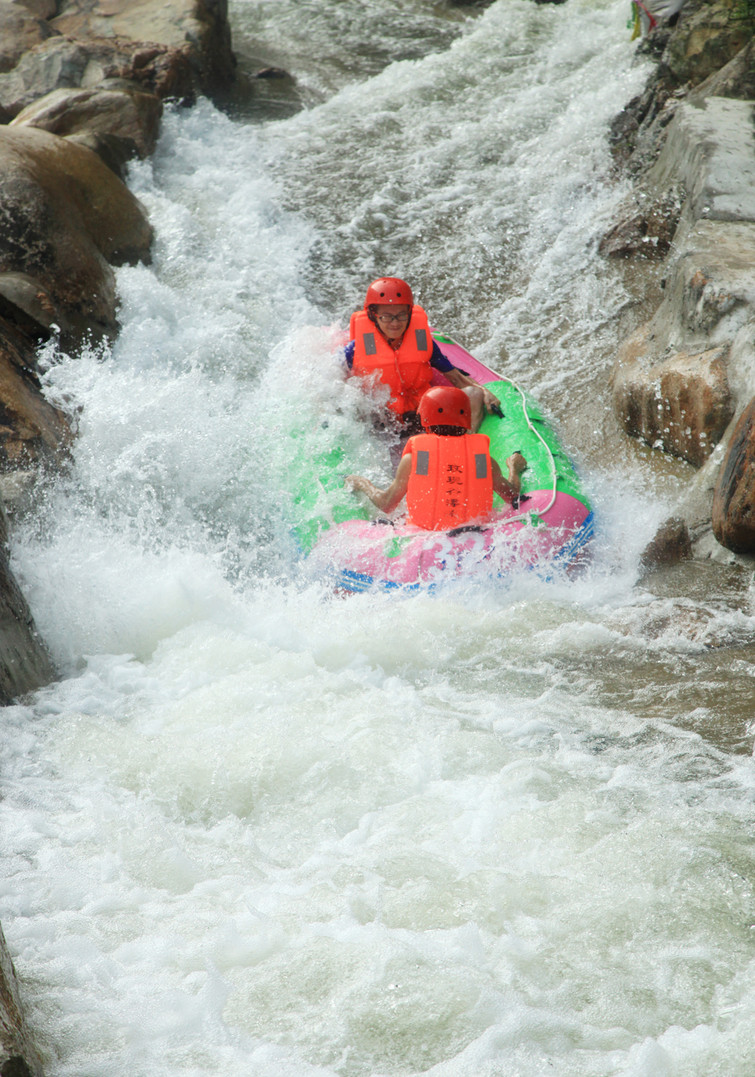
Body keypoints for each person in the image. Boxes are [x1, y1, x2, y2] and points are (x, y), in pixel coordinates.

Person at [345, 386, 527, 531]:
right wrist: (514, 469)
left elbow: (387, 504)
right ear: (466, 418)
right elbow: (512, 496)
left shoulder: (414, 458)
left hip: (424, 540)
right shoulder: (483, 459)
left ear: (424, 418)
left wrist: (362, 483)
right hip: (475, 537)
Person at [344, 277, 501, 436]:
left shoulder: (422, 342)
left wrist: (485, 392)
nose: (395, 323)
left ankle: (463, 444)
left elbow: (457, 378)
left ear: (410, 313)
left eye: (401, 315)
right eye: (386, 316)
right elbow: (332, 381)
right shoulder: (355, 348)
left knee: (474, 394)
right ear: (373, 315)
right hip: (382, 421)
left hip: (422, 415)